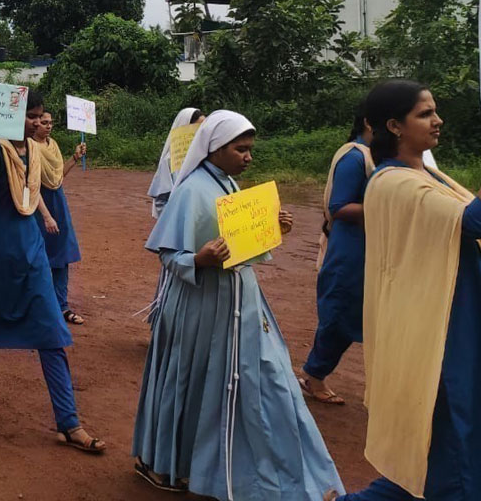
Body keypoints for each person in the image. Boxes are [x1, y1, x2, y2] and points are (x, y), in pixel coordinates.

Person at [132, 110, 342, 499]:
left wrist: (272, 229)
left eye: (249, 149)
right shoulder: (191, 190)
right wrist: (198, 259)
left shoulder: (227, 184)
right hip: (199, 303)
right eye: (240, 149)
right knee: (189, 379)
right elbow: (168, 253)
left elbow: (239, 244)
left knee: (241, 378)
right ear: (214, 148)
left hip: (238, 300)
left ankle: (218, 465)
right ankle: (167, 463)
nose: (248, 157)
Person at [331, 80, 481, 501]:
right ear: (394, 126)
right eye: (425, 114)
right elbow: (472, 221)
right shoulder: (394, 182)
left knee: (439, 450)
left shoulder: (425, 175)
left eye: (434, 111)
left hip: (454, 310)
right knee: (451, 436)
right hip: (438, 327)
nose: (438, 120)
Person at [0, 91, 105, 453]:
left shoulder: (34, 150)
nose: (36, 122)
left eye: (39, 116)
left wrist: (47, 215)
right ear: (13, 117)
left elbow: (41, 191)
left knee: (52, 332)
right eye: (30, 116)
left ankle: (69, 422)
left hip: (32, 253)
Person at [298, 103, 373, 406]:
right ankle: (314, 374)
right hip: (350, 249)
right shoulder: (355, 158)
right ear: (370, 122)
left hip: (370, 248)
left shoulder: (380, 157)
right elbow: (339, 207)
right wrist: (388, 206)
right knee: (339, 316)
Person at [34, 109, 87, 325]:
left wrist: (75, 158)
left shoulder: (53, 145)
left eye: (50, 122)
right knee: (39, 255)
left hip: (58, 202)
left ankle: (62, 306)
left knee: (62, 254)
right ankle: (40, 306)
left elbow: (58, 177)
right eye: (44, 122)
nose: (48, 126)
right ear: (34, 124)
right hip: (39, 205)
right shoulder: (30, 147)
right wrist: (45, 215)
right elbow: (32, 183)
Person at [147, 108, 204, 218]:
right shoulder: (170, 161)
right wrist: (175, 221)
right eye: (197, 128)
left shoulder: (206, 157)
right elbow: (161, 201)